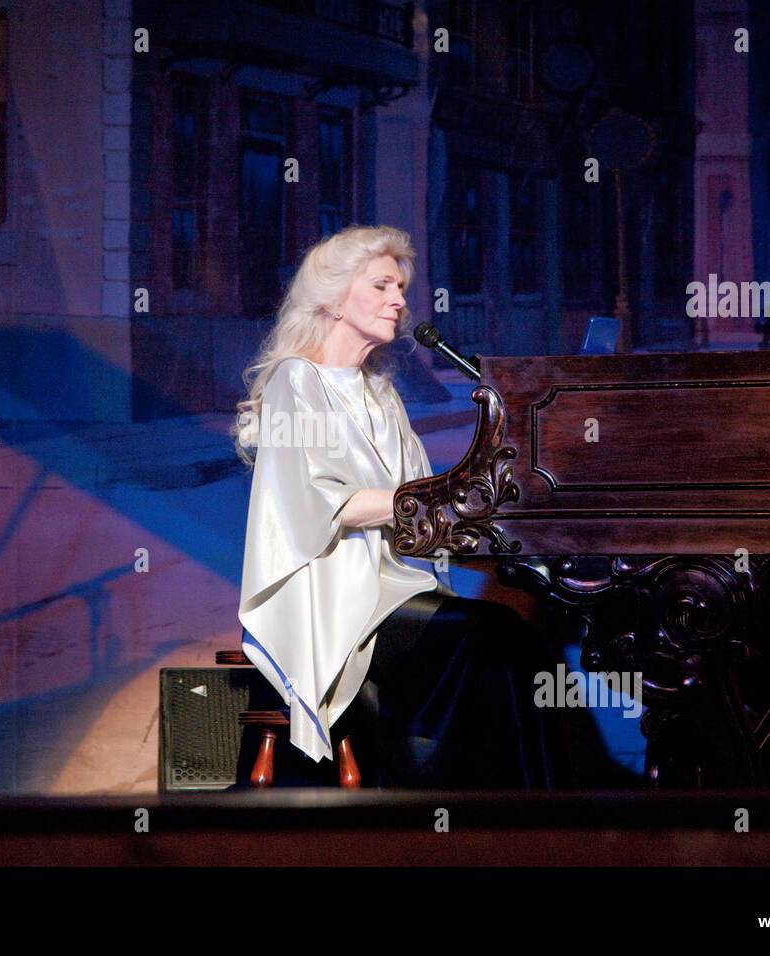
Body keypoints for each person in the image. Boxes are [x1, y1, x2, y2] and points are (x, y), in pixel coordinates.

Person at [233, 225, 558, 788]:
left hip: (392, 586)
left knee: (514, 636)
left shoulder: (379, 391)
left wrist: (493, 519)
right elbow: (320, 505)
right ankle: (470, 806)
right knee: (489, 637)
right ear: (333, 299)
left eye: (401, 287)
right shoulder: (297, 382)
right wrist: (443, 497)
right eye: (382, 285)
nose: (400, 300)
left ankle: (524, 819)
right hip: (332, 598)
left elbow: (418, 503)